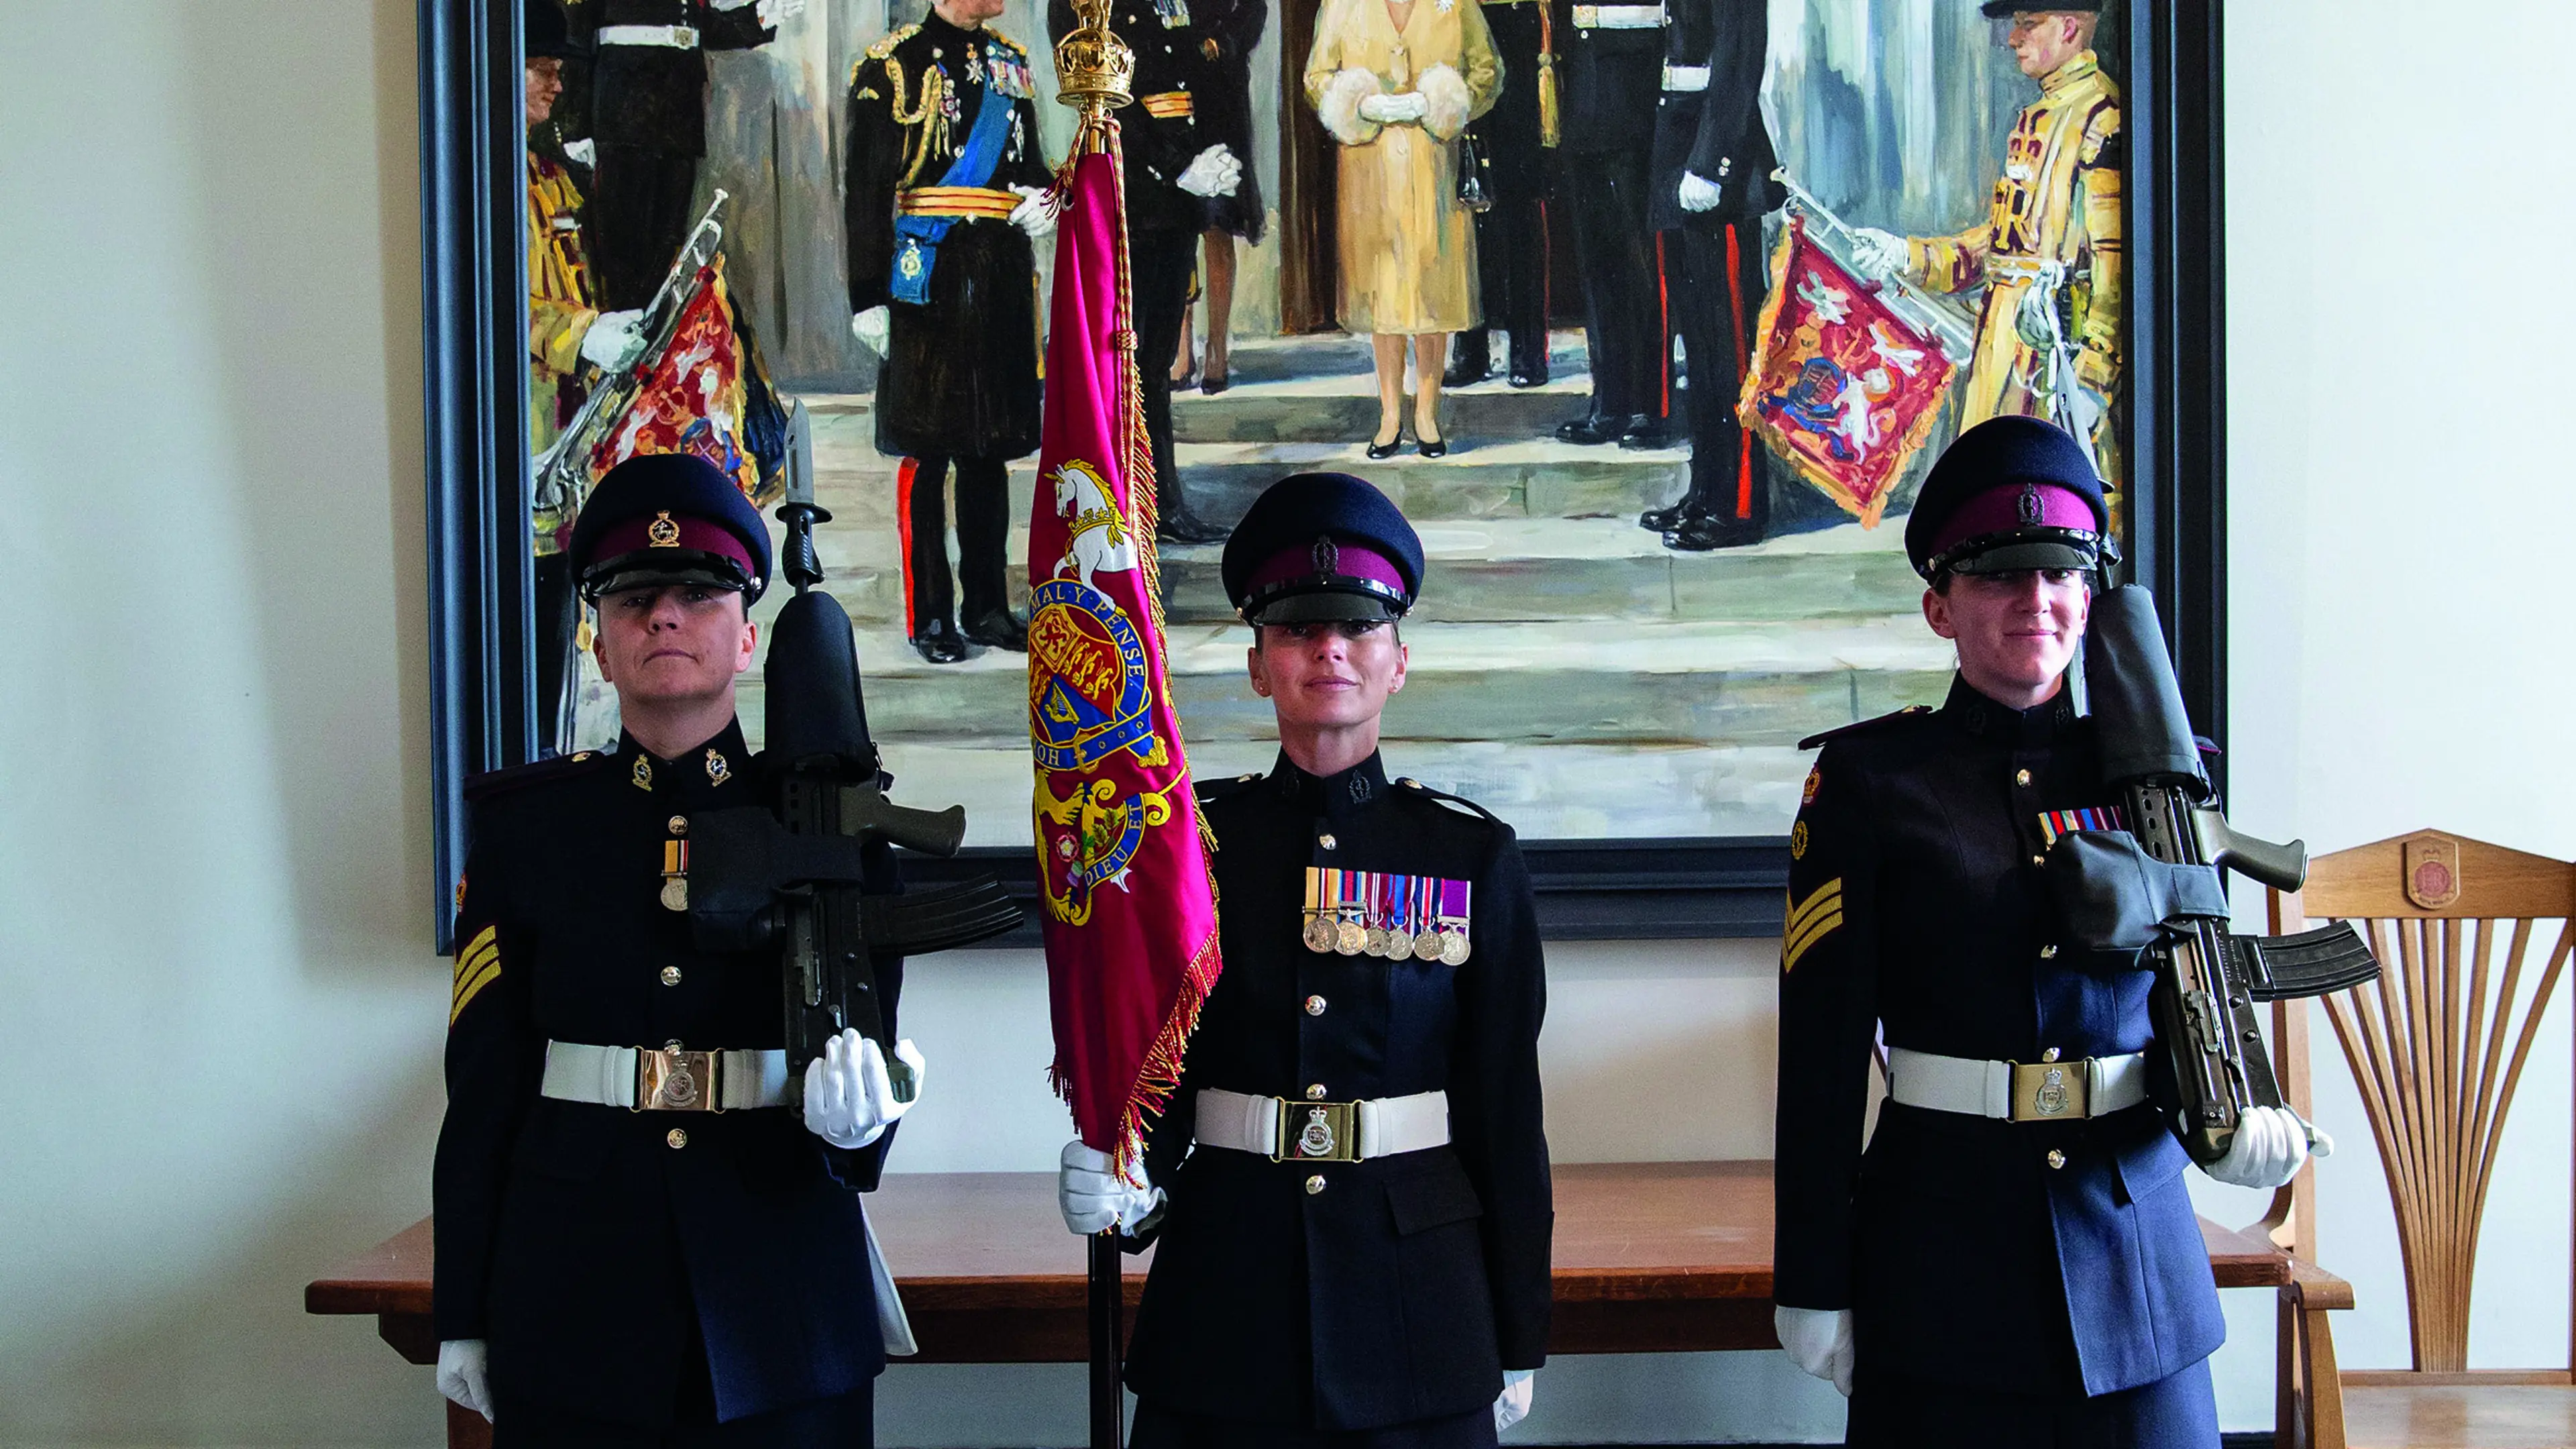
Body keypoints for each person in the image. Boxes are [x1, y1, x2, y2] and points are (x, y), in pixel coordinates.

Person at [1770, 417, 2319, 1447]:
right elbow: (1822, 1056)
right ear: (1941, 606)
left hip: (2135, 1250)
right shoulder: (1869, 785)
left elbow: (2196, 986)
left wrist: (2235, 1119)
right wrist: (1812, 1274)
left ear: (2089, 594)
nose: (2037, 601)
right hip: (1941, 1259)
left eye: (2062, 574)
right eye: (1999, 577)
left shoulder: (2161, 776)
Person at [433, 453, 926, 1445]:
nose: (665, 617)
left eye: (698, 595)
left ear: (747, 635)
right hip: (572, 1288)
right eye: (634, 598)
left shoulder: (839, 825)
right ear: (601, 642)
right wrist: (465, 1311)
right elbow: (485, 1094)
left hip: (779, 1287)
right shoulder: (527, 836)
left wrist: (867, 1124)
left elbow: (860, 1067)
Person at [1059, 472, 1553, 1447]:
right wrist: (1130, 1173)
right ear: (1257, 664)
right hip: (1227, 1300)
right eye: (1296, 628)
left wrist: (1519, 1326)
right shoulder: (1186, 849)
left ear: (1397, 661)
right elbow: (1160, 1051)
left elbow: (1503, 1109)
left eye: (1357, 627)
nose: (1329, 647)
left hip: (1422, 1307)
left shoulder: (1469, 855)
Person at [845, 0, 1055, 663]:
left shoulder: (1008, 63)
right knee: (927, 451)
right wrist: (867, 298)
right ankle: (932, 616)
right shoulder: (891, 67)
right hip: (926, 274)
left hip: (996, 275)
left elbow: (1030, 165)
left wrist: (1046, 198)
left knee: (988, 452)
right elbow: (865, 191)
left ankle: (987, 607)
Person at [1845, 6, 2123, 482]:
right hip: (2003, 361)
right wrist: (1904, 254)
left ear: (2070, 26)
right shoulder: (2038, 116)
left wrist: (2093, 381)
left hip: (2055, 365)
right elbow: (1998, 246)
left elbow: (2114, 267)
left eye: (2029, 24)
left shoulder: (2102, 116)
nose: (2013, 38)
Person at [1048, 0, 1243, 543]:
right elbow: (1108, 105)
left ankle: (1161, 503)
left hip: (1179, 192)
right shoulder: (1084, 4)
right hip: (1125, 188)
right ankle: (1118, 505)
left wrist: (1207, 155)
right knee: (1122, 359)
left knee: (1154, 360)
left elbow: (1200, 79)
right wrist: (1177, 165)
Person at [525, 1, 647, 735]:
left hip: (568, 450)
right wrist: (583, 335)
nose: (556, 85)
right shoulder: (480, 184)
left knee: (558, 640)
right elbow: (495, 306)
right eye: (542, 68)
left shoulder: (555, 177)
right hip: (522, 436)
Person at [1304, 0, 1500, 458]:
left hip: (1434, 166)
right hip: (1368, 169)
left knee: (1433, 289)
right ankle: (1390, 413)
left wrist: (1446, 104)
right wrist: (1358, 105)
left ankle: (1427, 412)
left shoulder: (1454, 4)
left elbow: (1487, 70)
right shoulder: (1342, 5)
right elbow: (1317, 77)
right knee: (1382, 292)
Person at [1638, 0, 1779, 550]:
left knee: (1730, 351)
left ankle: (1740, 503)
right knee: (1700, 350)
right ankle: (1709, 490)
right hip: (1680, 151)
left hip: (1718, 171)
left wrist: (1712, 162)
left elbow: (1739, 61)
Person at [565, 0, 798, 310]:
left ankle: (650, 341)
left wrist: (759, 15)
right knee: (626, 254)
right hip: (624, 127)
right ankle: (622, 335)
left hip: (677, 127)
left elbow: (701, 29)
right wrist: (578, 128)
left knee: (667, 253)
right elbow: (576, 43)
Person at [1548, 0, 1667, 447]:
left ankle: (1650, 408)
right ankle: (1611, 402)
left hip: (1639, 108)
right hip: (1585, 105)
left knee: (1642, 269)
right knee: (1600, 268)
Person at [1442, 0, 1552, 392]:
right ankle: (1470, 346)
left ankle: (1527, 348)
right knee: (1465, 210)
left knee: (1518, 206)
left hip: (1514, 29)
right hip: (1452, 27)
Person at [1170, 0, 1267, 396]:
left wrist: (1218, 44)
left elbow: (1253, 11)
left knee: (1216, 222)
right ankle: (1180, 346)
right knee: (1174, 228)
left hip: (1219, 94)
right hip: (1170, 93)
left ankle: (1218, 345)